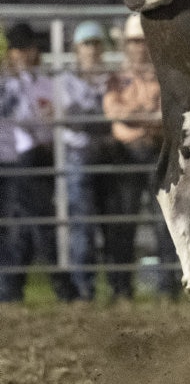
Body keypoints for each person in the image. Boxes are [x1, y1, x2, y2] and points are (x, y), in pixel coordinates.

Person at [103, 13, 180, 298]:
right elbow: (113, 112)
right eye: (134, 42)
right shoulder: (118, 78)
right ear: (126, 45)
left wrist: (135, 116)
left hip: (155, 152)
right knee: (124, 221)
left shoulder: (161, 74)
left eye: (142, 41)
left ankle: (167, 286)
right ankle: (122, 288)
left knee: (164, 222)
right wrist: (147, 117)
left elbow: (166, 115)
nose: (139, 47)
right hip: (127, 154)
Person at [0, 22, 77, 303]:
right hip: (17, 160)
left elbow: (52, 121)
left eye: (27, 48)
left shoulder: (44, 83)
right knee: (35, 224)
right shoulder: (8, 85)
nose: (24, 54)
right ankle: (61, 285)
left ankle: (12, 288)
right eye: (19, 49)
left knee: (25, 224)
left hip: (37, 158)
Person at [59, 20, 114, 301]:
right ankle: (84, 288)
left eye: (95, 44)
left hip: (105, 155)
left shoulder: (111, 80)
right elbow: (73, 117)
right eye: (86, 44)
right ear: (76, 50)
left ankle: (117, 287)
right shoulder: (68, 80)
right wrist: (108, 118)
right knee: (82, 225)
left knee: (112, 224)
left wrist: (94, 119)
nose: (91, 50)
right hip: (81, 157)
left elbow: (78, 117)